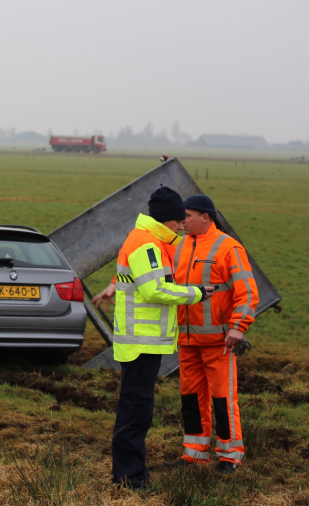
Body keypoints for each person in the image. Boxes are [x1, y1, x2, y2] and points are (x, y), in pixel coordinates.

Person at [109, 187, 212, 489]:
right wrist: (196, 293)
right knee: (135, 411)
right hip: (140, 342)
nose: (183, 225)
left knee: (138, 409)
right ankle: (129, 478)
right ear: (169, 219)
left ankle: (132, 471)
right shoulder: (147, 244)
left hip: (142, 341)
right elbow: (155, 290)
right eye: (180, 219)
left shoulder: (150, 241)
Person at [169, 195, 259, 473]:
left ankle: (230, 455)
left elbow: (247, 292)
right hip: (186, 341)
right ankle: (195, 453)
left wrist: (237, 327)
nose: (183, 221)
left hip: (219, 342)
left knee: (222, 399)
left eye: (188, 216)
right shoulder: (180, 246)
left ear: (206, 217)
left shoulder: (229, 247)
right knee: (191, 397)